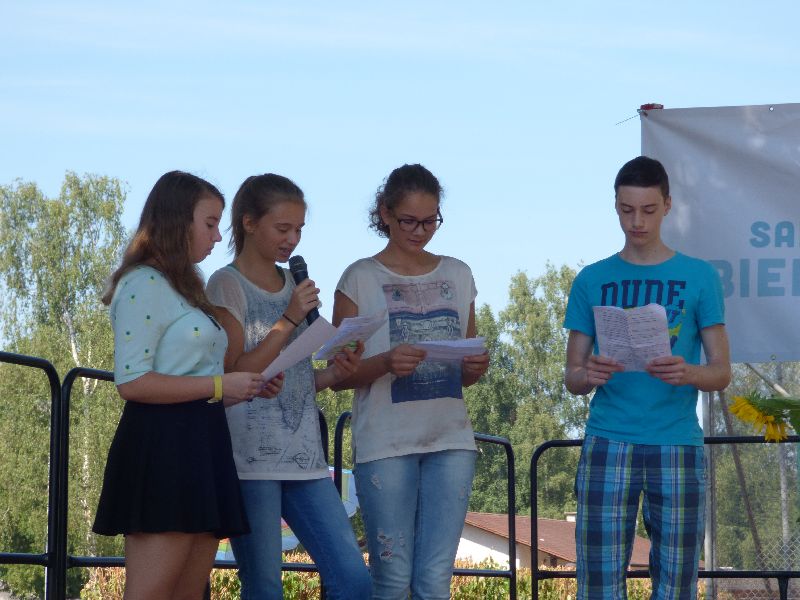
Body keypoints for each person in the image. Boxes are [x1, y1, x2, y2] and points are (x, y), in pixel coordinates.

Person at [93, 171, 273, 600]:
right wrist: (220, 385)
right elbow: (132, 381)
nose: (217, 236)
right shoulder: (142, 283)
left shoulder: (183, 287)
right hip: (163, 448)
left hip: (202, 442)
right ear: (178, 221)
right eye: (209, 223)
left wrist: (239, 387)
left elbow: (195, 378)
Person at [564, 156, 731, 599]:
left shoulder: (699, 276)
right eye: (626, 210)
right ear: (615, 206)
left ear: (668, 206)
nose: (636, 221)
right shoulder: (591, 279)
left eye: (648, 210)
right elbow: (572, 377)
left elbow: (721, 372)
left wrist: (688, 371)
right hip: (608, 439)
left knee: (677, 583)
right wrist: (589, 373)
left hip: (676, 441)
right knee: (598, 582)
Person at [205, 173, 371, 600]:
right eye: (283, 228)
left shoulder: (293, 285)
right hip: (250, 463)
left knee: (354, 580)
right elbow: (233, 372)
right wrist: (290, 318)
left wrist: (334, 374)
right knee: (264, 588)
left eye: (299, 229)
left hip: (306, 460)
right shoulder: (226, 284)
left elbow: (293, 378)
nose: (292, 240)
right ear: (248, 223)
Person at [331, 163, 490, 600]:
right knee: (392, 578)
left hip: (451, 440)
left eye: (430, 221)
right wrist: (385, 362)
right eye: (409, 221)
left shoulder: (458, 273)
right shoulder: (359, 278)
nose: (420, 231)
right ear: (384, 213)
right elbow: (338, 375)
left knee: (435, 581)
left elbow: (467, 365)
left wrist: (475, 367)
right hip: (385, 444)